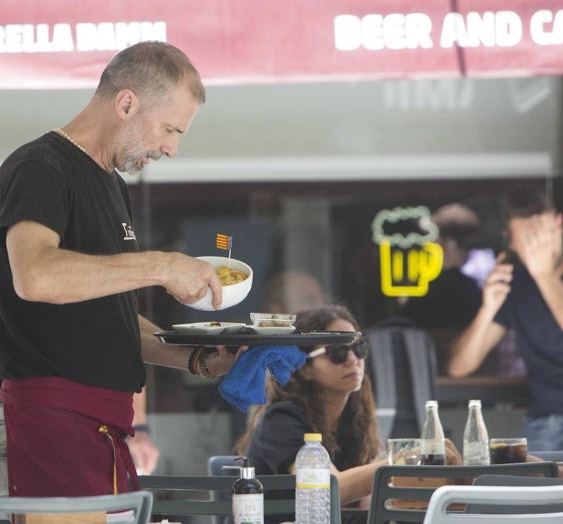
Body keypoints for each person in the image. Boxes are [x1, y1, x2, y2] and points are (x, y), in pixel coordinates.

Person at [0, 41, 241, 497]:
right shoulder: (38, 168)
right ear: (126, 103)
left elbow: (111, 318)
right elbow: (36, 276)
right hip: (49, 423)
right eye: (169, 129)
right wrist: (160, 265)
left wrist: (198, 358)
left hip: (104, 427)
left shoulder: (112, 185)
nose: (172, 148)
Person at [0, 256, 160, 474]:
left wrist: (137, 429)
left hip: (83, 405)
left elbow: (120, 343)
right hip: (5, 407)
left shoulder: (86, 265)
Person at [234, 305, 461, 511]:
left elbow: (369, 505)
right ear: (304, 368)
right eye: (337, 352)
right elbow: (327, 489)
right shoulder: (281, 419)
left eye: (358, 347)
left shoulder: (354, 421)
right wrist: (404, 460)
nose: (353, 359)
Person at [448, 187, 563, 451]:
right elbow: (460, 366)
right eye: (527, 240)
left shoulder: (540, 277)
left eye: (541, 236)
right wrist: (488, 308)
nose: (536, 248)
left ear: (559, 225)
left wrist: (545, 276)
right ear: (510, 241)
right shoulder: (518, 285)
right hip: (545, 421)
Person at [399, 203, 485, 374]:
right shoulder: (471, 290)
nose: (427, 244)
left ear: (449, 243)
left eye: (433, 237)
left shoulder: (432, 289)